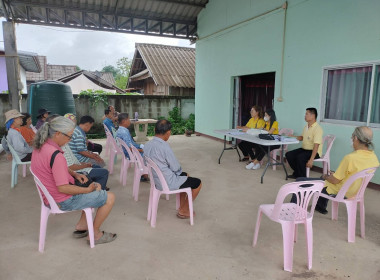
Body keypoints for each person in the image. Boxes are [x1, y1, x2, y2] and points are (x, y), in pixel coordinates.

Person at [31, 116, 116, 244]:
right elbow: (63, 188)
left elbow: (54, 167)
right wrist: (87, 190)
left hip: (49, 196)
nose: (70, 140)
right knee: (109, 197)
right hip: (62, 200)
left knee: (94, 185)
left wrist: (75, 174)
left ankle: (82, 225)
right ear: (58, 133)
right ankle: (96, 234)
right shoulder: (55, 154)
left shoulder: (41, 147)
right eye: (69, 136)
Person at [291, 126, 379, 214]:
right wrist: (335, 175)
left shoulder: (350, 158)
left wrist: (326, 176)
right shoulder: (373, 157)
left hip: (341, 191)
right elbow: (353, 174)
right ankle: (320, 206)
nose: (351, 139)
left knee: (300, 181)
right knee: (326, 179)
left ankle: (293, 211)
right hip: (355, 191)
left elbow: (334, 180)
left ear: (355, 138)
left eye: (352, 137)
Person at [144, 119, 202, 219]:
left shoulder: (147, 145)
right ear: (168, 132)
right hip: (167, 182)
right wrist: (179, 172)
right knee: (197, 183)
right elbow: (175, 168)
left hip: (157, 181)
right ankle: (183, 210)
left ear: (154, 130)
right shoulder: (164, 146)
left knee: (185, 175)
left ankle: (182, 207)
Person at [62, 114, 110, 191]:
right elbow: (81, 151)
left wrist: (93, 154)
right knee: (100, 165)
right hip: (79, 160)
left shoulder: (77, 132)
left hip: (78, 161)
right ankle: (98, 187)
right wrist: (92, 159)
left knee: (98, 162)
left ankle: (98, 183)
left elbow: (82, 149)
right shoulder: (77, 134)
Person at [285, 108, 323, 178]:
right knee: (289, 155)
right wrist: (293, 137)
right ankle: (297, 173)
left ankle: (303, 178)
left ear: (313, 116)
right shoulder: (306, 126)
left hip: (314, 151)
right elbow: (302, 137)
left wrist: (311, 160)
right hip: (305, 149)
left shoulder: (317, 129)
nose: (305, 116)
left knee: (300, 157)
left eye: (306, 114)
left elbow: (316, 145)